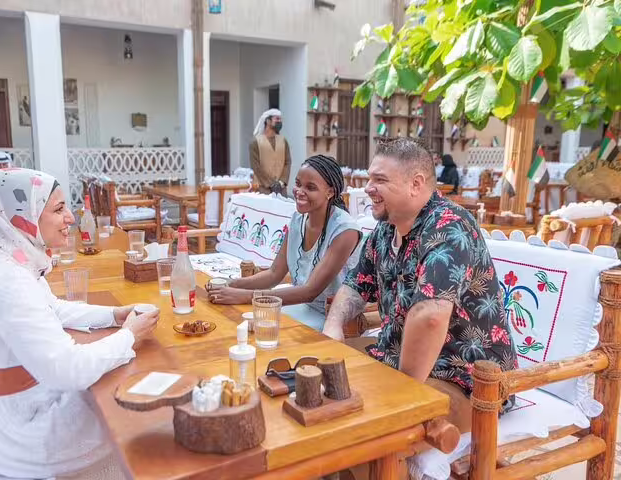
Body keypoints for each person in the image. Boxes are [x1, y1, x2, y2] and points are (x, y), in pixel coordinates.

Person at [0, 168, 159, 479]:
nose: (71, 217)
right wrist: (128, 337)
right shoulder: (6, 279)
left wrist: (113, 316)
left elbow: (51, 309)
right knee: (134, 415)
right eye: (58, 209)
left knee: (114, 390)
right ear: (20, 215)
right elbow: (66, 370)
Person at [323, 139, 516, 439]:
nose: (368, 188)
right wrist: (334, 327)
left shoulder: (450, 226)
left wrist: (399, 396)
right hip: (394, 358)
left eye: (380, 180)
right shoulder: (386, 229)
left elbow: (430, 316)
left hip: (467, 381)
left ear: (416, 184)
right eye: (370, 178)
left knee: (368, 431)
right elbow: (355, 287)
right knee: (320, 383)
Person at [207, 155, 361, 331]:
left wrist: (244, 296)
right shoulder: (298, 219)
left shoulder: (345, 230)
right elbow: (274, 273)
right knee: (233, 320)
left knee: (256, 327)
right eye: (298, 183)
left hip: (332, 317)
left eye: (310, 187)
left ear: (330, 192)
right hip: (301, 306)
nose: (299, 191)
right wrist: (230, 284)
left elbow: (310, 291)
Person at [249, 108, 292, 195]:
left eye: (280, 119)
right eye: (277, 119)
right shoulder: (255, 142)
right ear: (268, 121)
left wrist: (281, 182)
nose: (279, 122)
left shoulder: (283, 140)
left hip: (280, 189)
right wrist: (270, 184)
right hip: (262, 189)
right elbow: (256, 167)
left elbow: (288, 162)